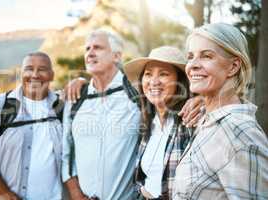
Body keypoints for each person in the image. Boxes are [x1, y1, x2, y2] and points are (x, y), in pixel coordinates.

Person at [173, 23, 268, 200]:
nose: (192, 65)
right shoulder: (206, 120)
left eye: (207, 56)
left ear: (233, 67)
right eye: (190, 57)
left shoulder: (240, 132)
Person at [0, 52, 64, 200]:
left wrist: (79, 80)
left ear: (51, 75)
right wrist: (2, 193)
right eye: (29, 69)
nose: (35, 75)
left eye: (42, 69)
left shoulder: (63, 106)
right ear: (21, 73)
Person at [62, 29, 141, 200]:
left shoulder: (137, 92)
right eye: (87, 49)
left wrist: (197, 101)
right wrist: (76, 195)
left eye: (98, 47)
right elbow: (66, 153)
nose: (90, 53)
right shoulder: (75, 97)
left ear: (117, 56)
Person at [123, 46, 193, 200]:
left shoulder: (190, 121)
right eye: (148, 74)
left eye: (163, 74)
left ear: (179, 81)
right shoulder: (148, 121)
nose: (154, 82)